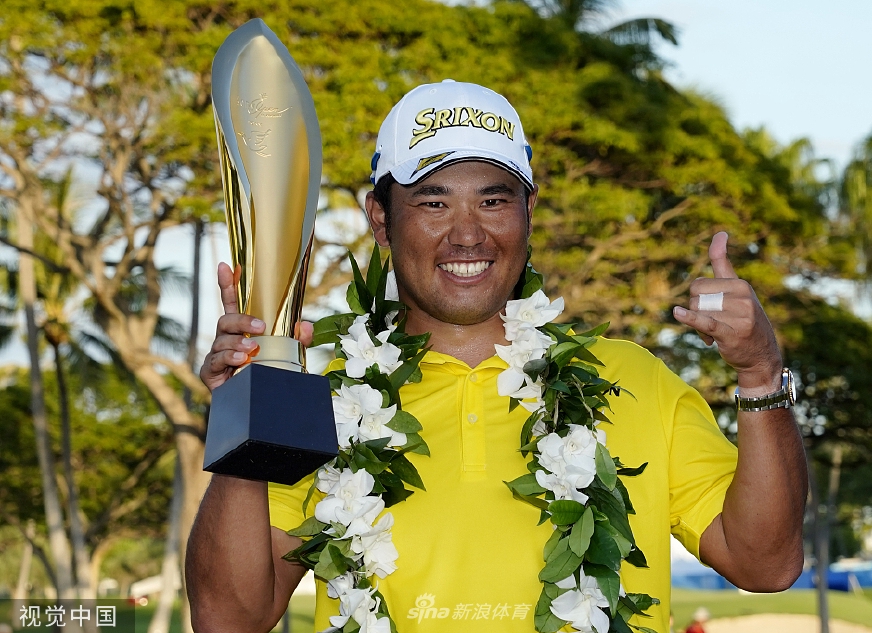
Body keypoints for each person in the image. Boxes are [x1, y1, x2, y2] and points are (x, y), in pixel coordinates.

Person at [186, 80, 807, 633]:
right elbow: (228, 620)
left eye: (493, 200)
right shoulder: (319, 392)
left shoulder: (633, 378)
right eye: (433, 202)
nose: (467, 233)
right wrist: (247, 401)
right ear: (380, 218)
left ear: (528, 212)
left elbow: (767, 563)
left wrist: (759, 375)